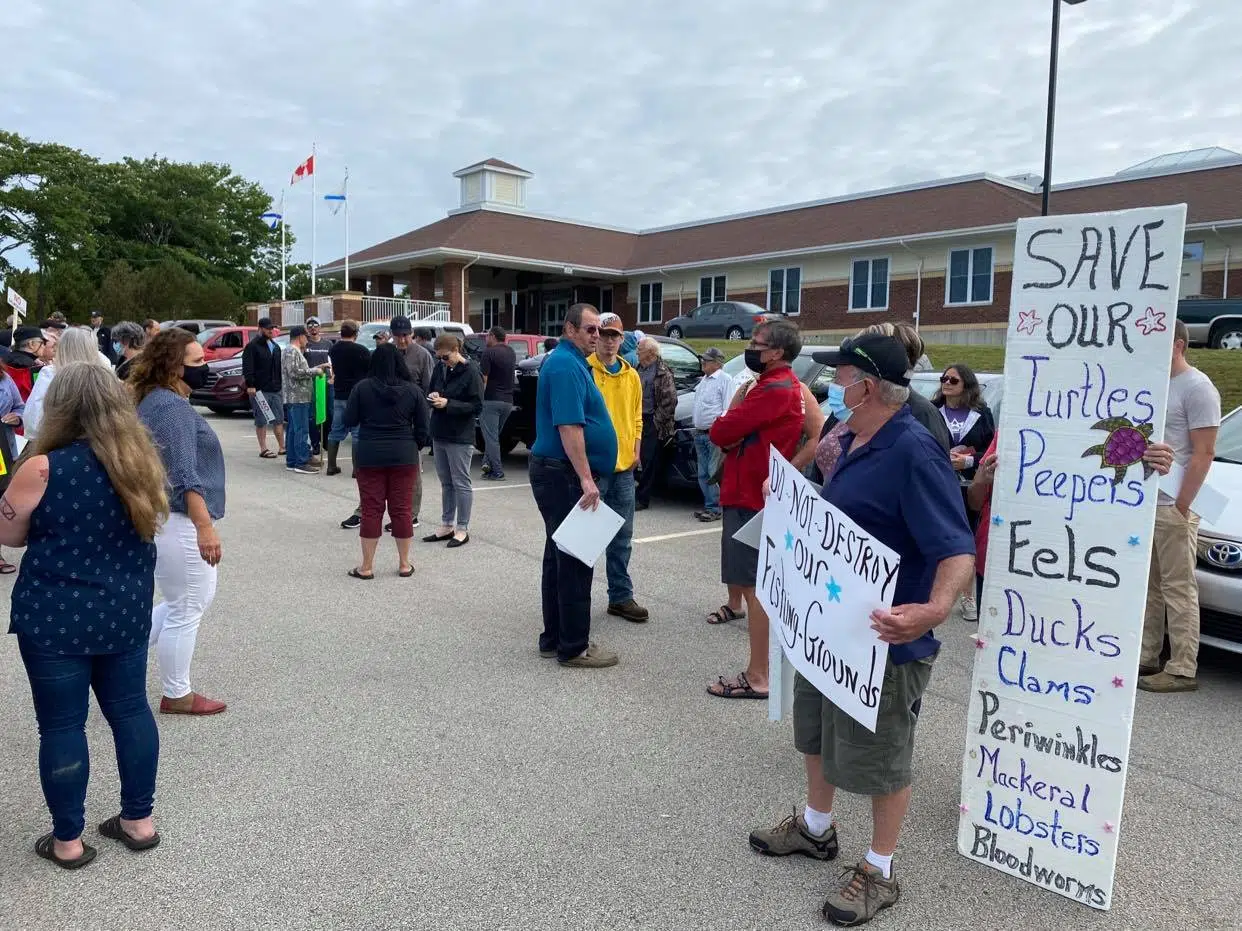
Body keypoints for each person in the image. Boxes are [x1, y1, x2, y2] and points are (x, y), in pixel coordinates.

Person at [748, 333, 976, 926]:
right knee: (817, 734)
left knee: (883, 758)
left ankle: (880, 868)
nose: (833, 388)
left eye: (842, 378)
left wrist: (934, 609)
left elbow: (957, 551)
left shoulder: (914, 452)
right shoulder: (848, 438)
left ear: (868, 386)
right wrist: (794, 496)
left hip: (886, 642)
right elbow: (844, 517)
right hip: (831, 632)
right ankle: (817, 829)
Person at [3, 362, 168, 869]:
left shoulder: (43, 467)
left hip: (54, 617)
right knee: (131, 711)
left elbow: (7, 535)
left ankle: (68, 841)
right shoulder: (141, 464)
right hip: (124, 611)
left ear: (61, 406)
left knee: (60, 726)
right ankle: (139, 821)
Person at [968, 434, 1174, 626]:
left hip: (1083, 570)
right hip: (1005, 562)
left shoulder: (1124, 439)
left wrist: (1159, 470)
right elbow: (975, 502)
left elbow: (1130, 504)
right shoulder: (1013, 428)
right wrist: (980, 481)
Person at [130, 328, 228, 716]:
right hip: (181, 521)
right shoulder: (171, 409)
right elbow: (185, 474)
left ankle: (121, 655)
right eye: (197, 363)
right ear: (174, 368)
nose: (205, 368)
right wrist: (205, 527)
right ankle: (178, 693)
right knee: (188, 606)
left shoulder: (155, 400)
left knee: (179, 603)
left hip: (166, 519)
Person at [706, 319, 804, 697]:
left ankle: (759, 674)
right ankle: (761, 669)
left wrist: (733, 416)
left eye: (756, 343)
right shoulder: (779, 386)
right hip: (751, 492)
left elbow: (721, 431)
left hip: (750, 496)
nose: (750, 347)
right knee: (753, 584)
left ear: (776, 352)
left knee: (755, 587)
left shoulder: (773, 389)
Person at [530, 303, 620, 668]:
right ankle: (573, 647)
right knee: (575, 561)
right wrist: (586, 478)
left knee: (558, 557)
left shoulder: (570, 362)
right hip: (564, 474)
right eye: (589, 329)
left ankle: (555, 639)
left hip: (558, 472)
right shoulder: (566, 365)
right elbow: (570, 427)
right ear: (570, 329)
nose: (596, 335)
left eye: (598, 329)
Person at [1139, 320, 1222, 693]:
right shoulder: (1157, 384)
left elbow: (1204, 453)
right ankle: (1147, 654)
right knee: (1152, 586)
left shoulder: (1198, 387)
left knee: (1179, 586)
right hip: (1148, 503)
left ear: (1177, 344)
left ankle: (1183, 666)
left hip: (1175, 504)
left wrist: (1183, 505)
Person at [343, 343, 431, 579]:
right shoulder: (413, 391)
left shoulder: (362, 388)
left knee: (371, 509)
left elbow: (349, 418)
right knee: (402, 509)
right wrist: (414, 445)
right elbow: (424, 427)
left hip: (370, 453)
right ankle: (404, 564)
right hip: (404, 454)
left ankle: (367, 567)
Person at [586, 312, 649, 623]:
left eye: (615, 336)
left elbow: (637, 417)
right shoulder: (586, 371)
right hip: (594, 470)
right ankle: (576, 596)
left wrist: (636, 449)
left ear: (622, 340)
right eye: (604, 335)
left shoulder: (631, 376)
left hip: (624, 469)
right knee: (585, 538)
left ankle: (620, 597)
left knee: (622, 537)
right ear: (595, 336)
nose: (609, 341)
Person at [930, 362, 995, 622]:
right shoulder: (932, 411)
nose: (946, 383)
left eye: (953, 380)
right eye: (944, 379)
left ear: (966, 385)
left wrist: (967, 461)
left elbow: (990, 451)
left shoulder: (982, 414)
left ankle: (967, 597)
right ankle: (933, 591)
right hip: (937, 483)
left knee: (965, 539)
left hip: (970, 487)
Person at [425, 333, 483, 547]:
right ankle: (447, 524)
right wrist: (432, 397)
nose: (442, 361)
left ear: (456, 351)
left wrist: (448, 403)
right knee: (446, 481)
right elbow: (431, 388)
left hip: (460, 434)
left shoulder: (471, 371)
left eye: (445, 357)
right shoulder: (440, 368)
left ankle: (462, 528)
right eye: (439, 357)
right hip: (440, 430)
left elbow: (477, 406)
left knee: (461, 482)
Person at [23, 328, 113, 443]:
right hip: (100, 444)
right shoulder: (104, 373)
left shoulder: (50, 374)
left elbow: (33, 422)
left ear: (63, 347)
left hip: (56, 445)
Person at [634, 338, 677, 511]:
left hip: (652, 420)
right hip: (636, 418)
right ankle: (634, 493)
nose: (637, 352)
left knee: (648, 459)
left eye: (640, 349)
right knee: (634, 456)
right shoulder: (637, 369)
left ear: (650, 352)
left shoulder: (662, 371)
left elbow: (670, 400)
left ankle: (643, 498)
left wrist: (656, 420)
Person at [325, 319, 370, 476]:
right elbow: (369, 372)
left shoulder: (334, 350)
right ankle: (356, 469)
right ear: (356, 334)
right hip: (356, 395)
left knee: (335, 430)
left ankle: (331, 466)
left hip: (339, 394)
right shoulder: (362, 351)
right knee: (357, 432)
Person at [282, 325, 329, 475]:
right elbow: (295, 372)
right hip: (298, 397)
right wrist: (316, 371)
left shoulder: (292, 351)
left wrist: (318, 366)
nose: (306, 341)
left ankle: (292, 460)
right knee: (301, 430)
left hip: (296, 396)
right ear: (300, 337)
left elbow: (299, 370)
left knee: (293, 430)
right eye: (305, 338)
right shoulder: (291, 351)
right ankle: (300, 462)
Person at [691, 347, 731, 522]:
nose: (703, 363)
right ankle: (709, 504)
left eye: (707, 360)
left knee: (713, 471)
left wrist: (720, 432)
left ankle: (715, 507)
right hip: (699, 432)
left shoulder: (725, 380)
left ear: (717, 363)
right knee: (702, 473)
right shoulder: (704, 381)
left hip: (712, 434)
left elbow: (727, 408)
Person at [241, 318, 285, 459]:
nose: (270, 330)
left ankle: (282, 447)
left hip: (275, 388)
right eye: (267, 328)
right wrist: (250, 385)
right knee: (261, 419)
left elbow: (279, 368)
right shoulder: (252, 346)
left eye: (272, 328)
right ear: (260, 329)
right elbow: (248, 367)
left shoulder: (276, 347)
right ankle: (263, 448)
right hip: (260, 389)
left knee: (279, 419)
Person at [479, 326, 517, 480]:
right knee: (493, 436)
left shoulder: (488, 353)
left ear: (492, 336)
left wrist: (478, 399)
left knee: (491, 438)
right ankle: (487, 464)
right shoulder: (511, 352)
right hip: (508, 401)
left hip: (491, 400)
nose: (486, 339)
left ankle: (497, 471)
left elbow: (484, 379)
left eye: (487, 336)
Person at [303, 317, 334, 465]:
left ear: (320, 327)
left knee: (328, 412)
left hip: (326, 381)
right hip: (311, 381)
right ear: (307, 329)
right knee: (312, 414)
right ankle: (315, 444)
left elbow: (334, 363)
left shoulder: (328, 344)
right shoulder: (305, 344)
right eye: (310, 326)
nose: (313, 328)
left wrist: (333, 377)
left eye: (315, 325)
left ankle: (326, 441)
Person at [3, 326, 47, 400]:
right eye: (42, 342)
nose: (44, 346)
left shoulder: (3, 361)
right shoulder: (33, 368)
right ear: (31, 344)